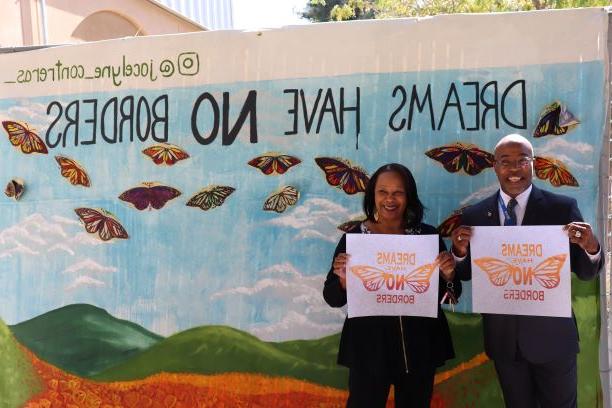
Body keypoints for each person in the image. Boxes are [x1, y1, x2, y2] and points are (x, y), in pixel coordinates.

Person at [451, 134, 603, 408]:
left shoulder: (562, 208)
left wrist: (590, 247)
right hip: (505, 343)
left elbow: (585, 272)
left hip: (554, 340)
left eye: (522, 160)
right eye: (506, 162)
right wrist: (459, 253)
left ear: (533, 164)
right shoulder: (475, 216)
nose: (514, 169)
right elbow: (465, 275)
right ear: (495, 167)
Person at [323, 163, 461, 408]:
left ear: (409, 197)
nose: (390, 199)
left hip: (420, 348)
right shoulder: (355, 239)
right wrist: (344, 280)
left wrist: (449, 275)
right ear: (372, 196)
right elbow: (333, 298)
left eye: (398, 192)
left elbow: (450, 296)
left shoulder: (426, 237)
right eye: (383, 192)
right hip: (368, 349)